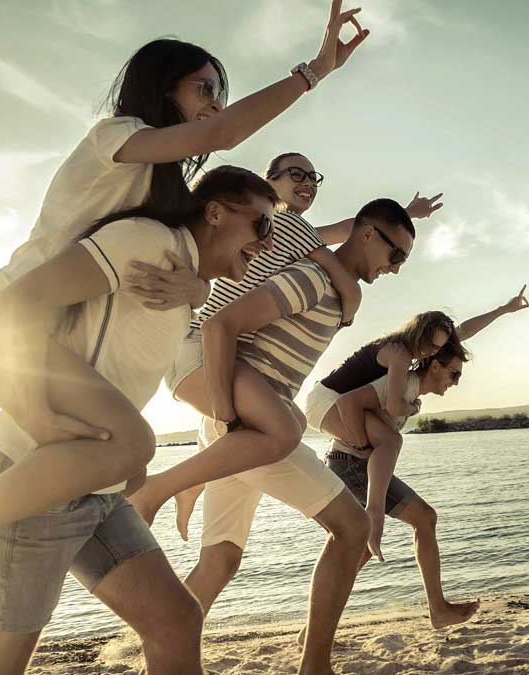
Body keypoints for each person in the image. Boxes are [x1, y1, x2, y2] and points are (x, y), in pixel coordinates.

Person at [0, 6, 370, 671]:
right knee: (123, 444)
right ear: (162, 88)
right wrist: (315, 70)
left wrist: (200, 292)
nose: (216, 106)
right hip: (3, 317)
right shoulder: (116, 139)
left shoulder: (161, 206)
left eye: (220, 92)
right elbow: (226, 145)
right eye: (204, 88)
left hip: (42, 354)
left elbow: (181, 250)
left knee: (174, 615)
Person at [127, 150, 443, 537]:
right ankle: (160, 488)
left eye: (314, 177)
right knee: (284, 430)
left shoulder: (293, 232)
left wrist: (401, 217)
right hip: (204, 343)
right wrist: (350, 294)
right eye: (296, 174)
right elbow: (338, 248)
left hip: (220, 346)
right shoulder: (282, 224)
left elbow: (344, 232)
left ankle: (192, 478)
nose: (308, 182)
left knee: (292, 420)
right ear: (270, 182)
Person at [168, 199, 416, 675]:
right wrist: (227, 418)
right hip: (251, 425)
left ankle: (164, 658)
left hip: (244, 420)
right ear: (367, 235)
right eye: (396, 255)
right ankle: (315, 666)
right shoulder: (311, 279)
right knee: (353, 529)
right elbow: (224, 323)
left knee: (219, 561)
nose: (396, 268)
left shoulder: (335, 288)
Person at [304, 287, 529, 559]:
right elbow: (394, 405)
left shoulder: (418, 349)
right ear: (419, 332)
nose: (433, 351)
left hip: (341, 402)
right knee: (389, 442)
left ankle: (371, 509)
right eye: (432, 345)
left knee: (387, 445)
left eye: (438, 347)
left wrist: (504, 309)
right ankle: (374, 512)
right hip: (325, 402)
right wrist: (411, 409)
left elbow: (465, 331)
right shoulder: (399, 353)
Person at [320, 341, 481, 629]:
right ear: (435, 365)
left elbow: (459, 333)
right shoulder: (402, 384)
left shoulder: (408, 390)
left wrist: (504, 310)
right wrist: (375, 508)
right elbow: (350, 405)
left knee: (402, 529)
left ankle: (438, 609)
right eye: (454, 374)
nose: (455, 382)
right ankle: (437, 609)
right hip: (350, 463)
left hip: (357, 464)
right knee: (411, 524)